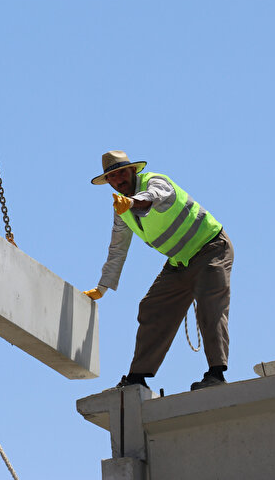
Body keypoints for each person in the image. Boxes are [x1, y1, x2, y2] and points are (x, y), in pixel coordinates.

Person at [84, 150, 234, 391]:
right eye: (112, 177)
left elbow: (152, 197)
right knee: (151, 307)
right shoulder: (121, 209)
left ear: (133, 170)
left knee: (209, 306)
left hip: (210, 248)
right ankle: (136, 379)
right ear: (108, 181)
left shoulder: (156, 182)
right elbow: (117, 249)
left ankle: (216, 374)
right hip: (179, 262)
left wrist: (132, 202)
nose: (119, 180)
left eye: (122, 173)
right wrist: (102, 287)